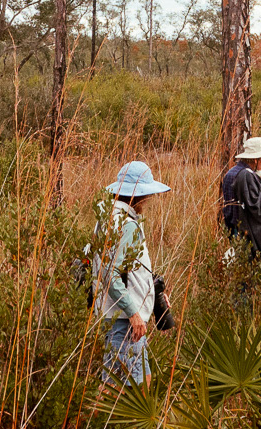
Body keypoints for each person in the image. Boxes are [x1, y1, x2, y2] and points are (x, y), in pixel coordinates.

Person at [90, 160, 169, 386]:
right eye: (146, 194)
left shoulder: (110, 217)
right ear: (137, 196)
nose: (149, 199)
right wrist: (133, 313)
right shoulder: (125, 223)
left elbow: (127, 268)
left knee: (137, 381)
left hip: (120, 318)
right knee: (122, 388)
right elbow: (110, 273)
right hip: (124, 321)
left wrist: (153, 291)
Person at [218, 135, 261, 294]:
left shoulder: (232, 173)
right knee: (250, 275)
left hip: (234, 230)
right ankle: (251, 304)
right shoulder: (246, 176)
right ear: (255, 159)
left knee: (243, 273)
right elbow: (256, 209)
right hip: (246, 233)